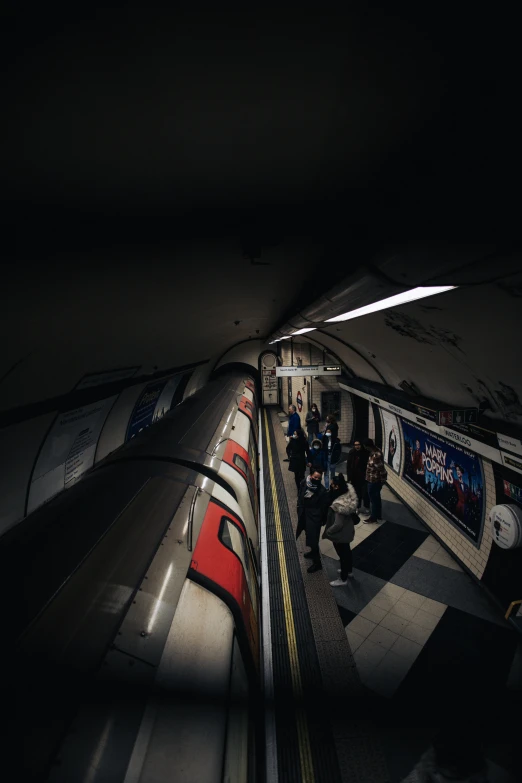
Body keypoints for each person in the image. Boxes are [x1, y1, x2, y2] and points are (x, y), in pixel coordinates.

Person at [322, 473, 359, 586]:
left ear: (336, 487)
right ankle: (349, 571)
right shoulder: (347, 493)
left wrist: (329, 531)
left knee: (343, 555)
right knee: (347, 552)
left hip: (341, 534)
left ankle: (343, 579)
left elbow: (338, 524)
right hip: (348, 530)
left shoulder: (339, 504)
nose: (330, 486)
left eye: (332, 485)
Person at [296, 469, 329, 573]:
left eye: (319, 478)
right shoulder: (304, 483)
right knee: (308, 535)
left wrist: (321, 520)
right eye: (315, 477)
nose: (317, 479)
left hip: (314, 519)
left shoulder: (322, 491)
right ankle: (312, 552)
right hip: (304, 515)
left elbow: (324, 508)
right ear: (310, 476)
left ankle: (317, 563)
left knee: (313, 540)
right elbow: (300, 496)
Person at [360, 438, 387, 524]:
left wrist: (383, 480)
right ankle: (377, 515)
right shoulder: (374, 452)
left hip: (374, 481)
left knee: (374, 499)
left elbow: (381, 469)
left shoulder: (376, 455)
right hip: (371, 479)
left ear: (367, 446)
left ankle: (373, 517)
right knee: (376, 498)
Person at [345, 440, 370, 512]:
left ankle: (366, 506)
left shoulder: (366, 453)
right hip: (354, 476)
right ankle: (357, 507)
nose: (357, 446)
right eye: (355, 445)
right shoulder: (352, 452)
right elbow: (349, 466)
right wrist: (349, 477)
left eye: (358, 444)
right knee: (356, 493)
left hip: (364, 476)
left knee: (365, 493)